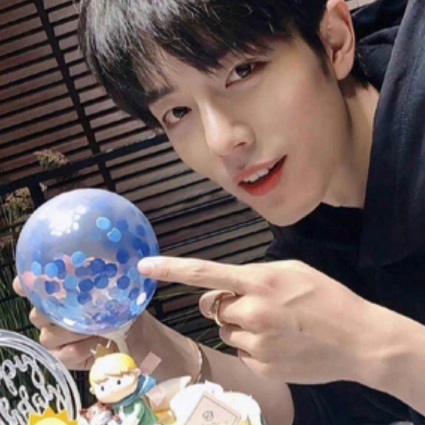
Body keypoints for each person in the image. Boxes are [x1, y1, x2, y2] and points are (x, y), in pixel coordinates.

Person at [13, 0, 425, 423]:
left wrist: (373, 346)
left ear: (333, 41)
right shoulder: (318, 234)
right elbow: (303, 404)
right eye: (177, 112)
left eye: (243, 71)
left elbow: (376, 360)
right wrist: (134, 337)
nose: (220, 140)